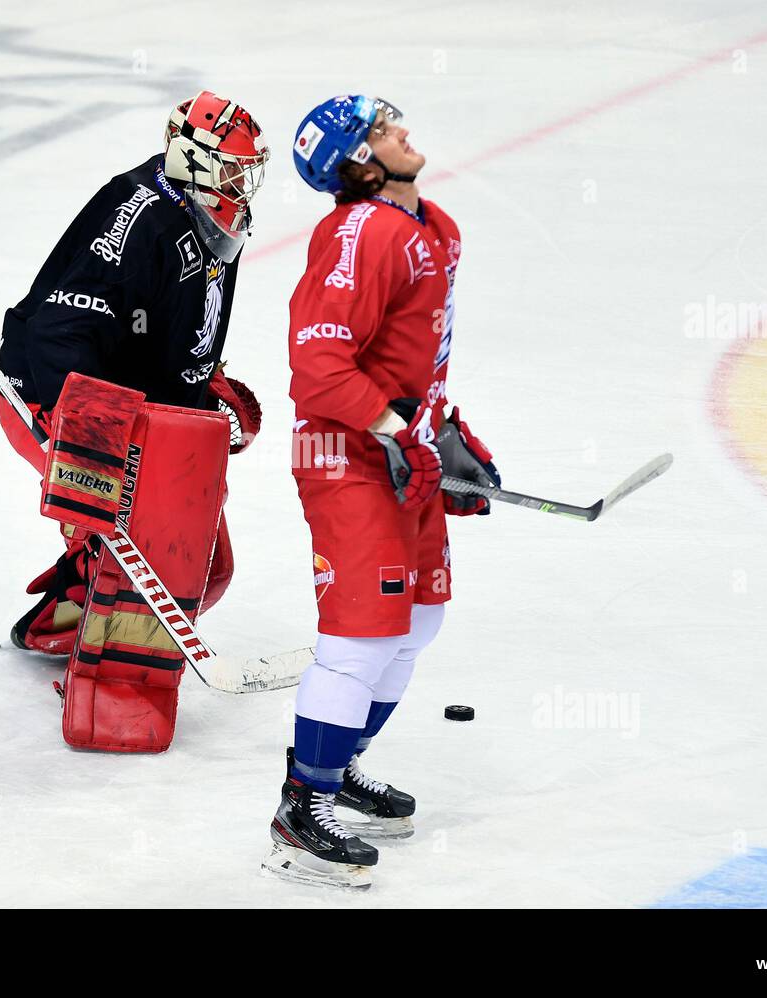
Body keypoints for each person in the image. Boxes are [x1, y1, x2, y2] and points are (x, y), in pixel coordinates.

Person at [262, 95, 501, 887]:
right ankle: (303, 807)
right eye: (379, 131)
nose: (401, 131)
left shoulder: (434, 229)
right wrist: (395, 432)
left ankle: (340, 764)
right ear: (358, 165)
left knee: (419, 621)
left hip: (405, 452)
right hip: (349, 453)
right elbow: (318, 366)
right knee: (362, 635)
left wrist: (445, 433)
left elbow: (416, 361)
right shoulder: (362, 233)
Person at [0, 91, 267, 752]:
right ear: (190, 159)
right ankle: (105, 687)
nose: (242, 183)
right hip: (67, 407)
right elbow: (66, 326)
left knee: (211, 567)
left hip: (149, 417)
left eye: (247, 169)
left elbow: (163, 330)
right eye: (230, 168)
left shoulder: (206, 216)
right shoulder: (137, 213)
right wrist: (83, 432)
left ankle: (64, 620)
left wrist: (204, 389)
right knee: (155, 564)